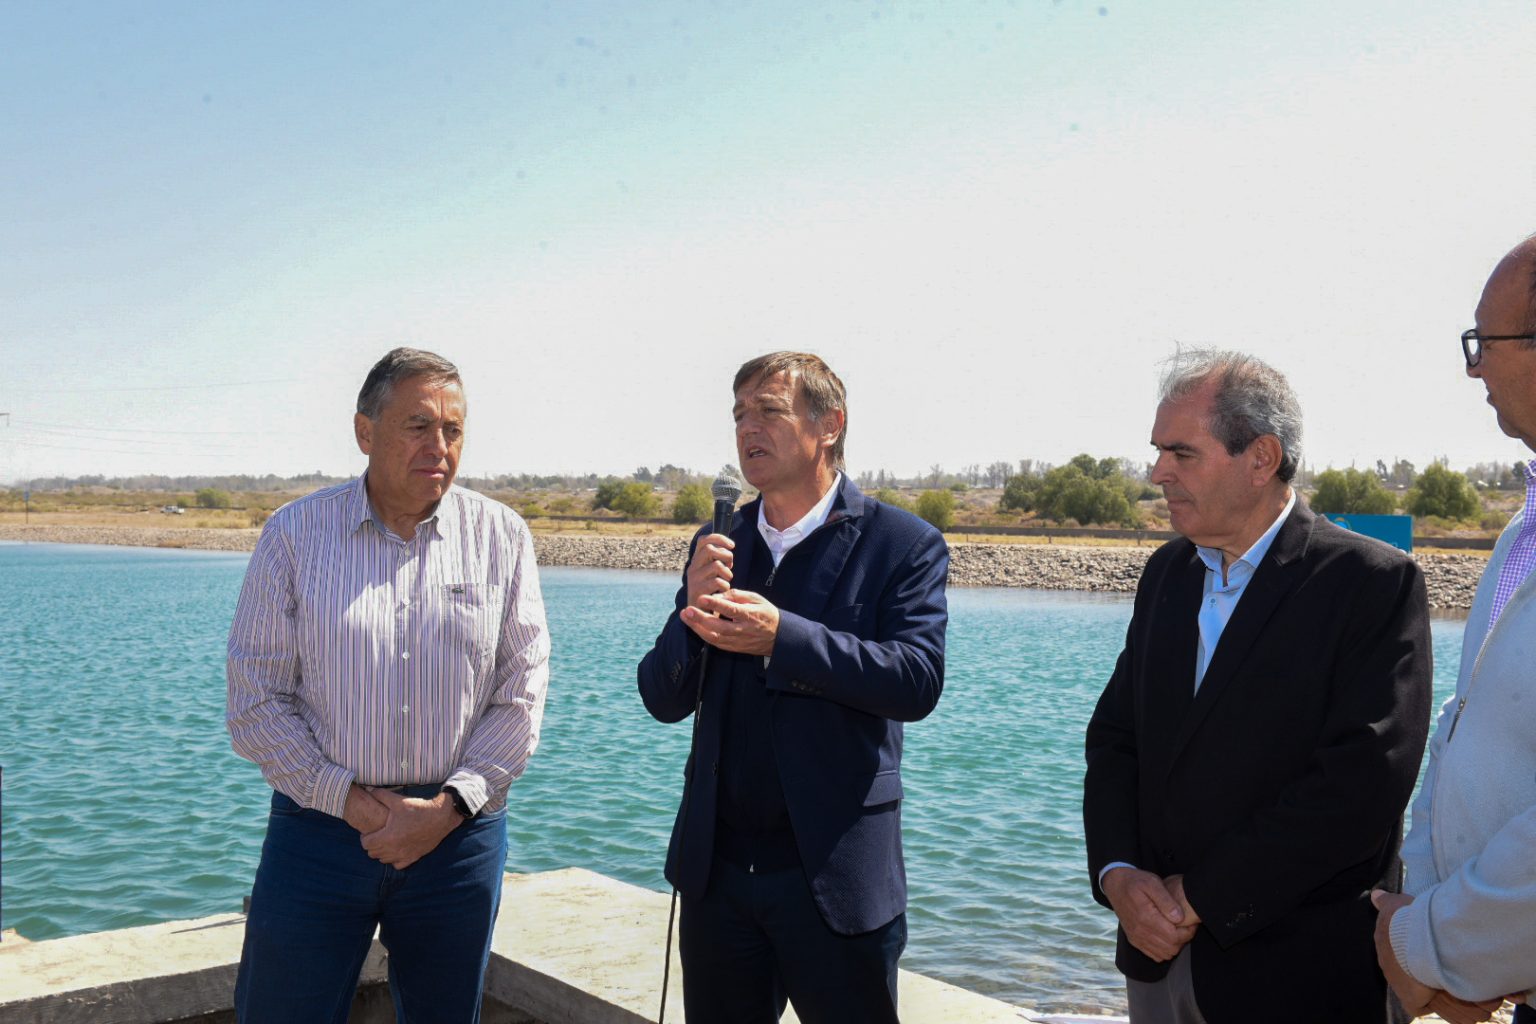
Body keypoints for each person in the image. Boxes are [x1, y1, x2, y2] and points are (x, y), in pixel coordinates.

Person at [1083, 349, 1432, 1024]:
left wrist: (1201, 898)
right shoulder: (1167, 574)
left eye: (1182, 453)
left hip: (1295, 976)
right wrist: (1118, 874)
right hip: (1153, 959)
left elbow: (1361, 785)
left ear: (1262, 458)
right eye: (1158, 452)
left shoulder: (1370, 584)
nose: (1158, 473)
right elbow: (1116, 740)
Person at [226, 347, 551, 1023]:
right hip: (318, 833)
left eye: (453, 430)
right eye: (418, 425)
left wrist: (446, 811)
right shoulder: (293, 535)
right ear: (365, 432)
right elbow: (256, 699)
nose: (439, 447)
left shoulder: (502, 537)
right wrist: (356, 807)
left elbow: (521, 693)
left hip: (458, 839)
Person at [637, 351, 948, 1023]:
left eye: (769, 411)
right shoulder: (720, 541)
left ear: (829, 425)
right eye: (739, 415)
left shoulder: (901, 544)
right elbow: (662, 698)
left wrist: (783, 638)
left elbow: (916, 680)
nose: (748, 428)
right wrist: (691, 607)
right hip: (718, 879)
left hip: (835, 879)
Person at [1372, 235, 1536, 1024]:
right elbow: (1460, 728)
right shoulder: (1520, 536)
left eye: (1483, 342)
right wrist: (1431, 920)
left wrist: (1431, 945)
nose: (1474, 369)